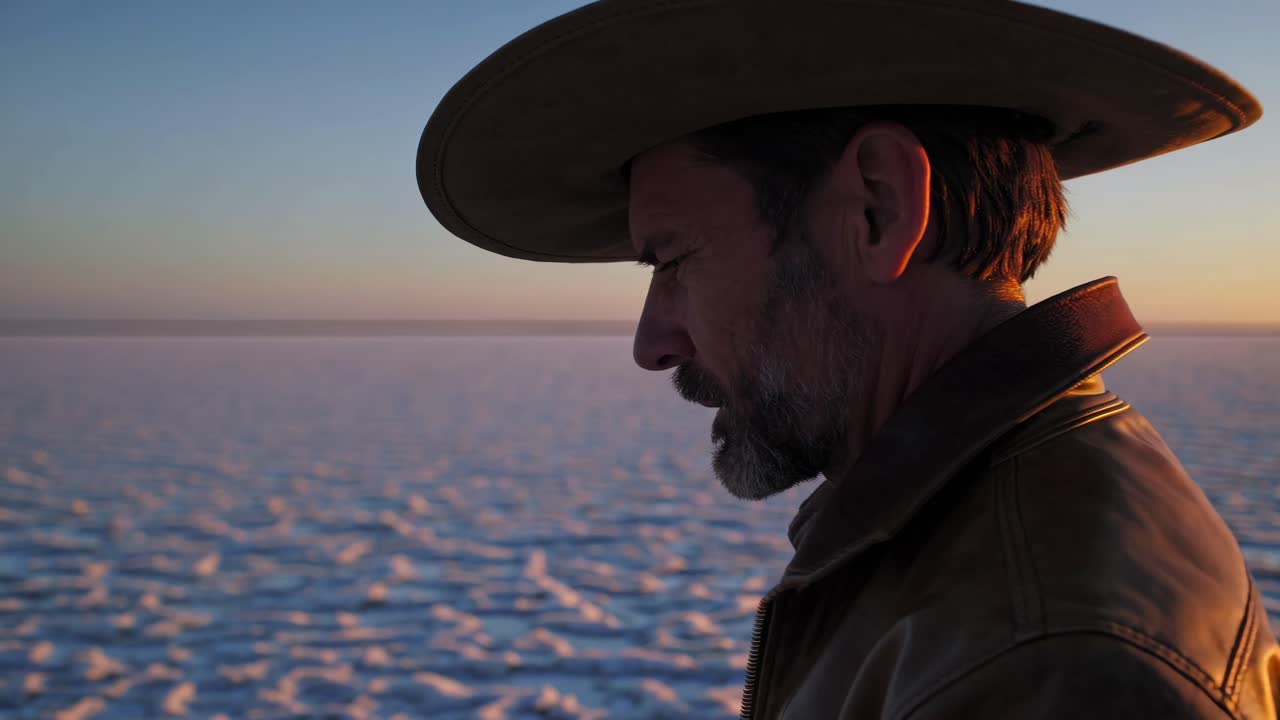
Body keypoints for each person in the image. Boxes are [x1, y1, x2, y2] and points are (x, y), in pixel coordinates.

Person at [416, 0, 1275, 716]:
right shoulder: (988, 546)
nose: (653, 343)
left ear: (876, 209)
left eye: (672, 261)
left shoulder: (1047, 666)